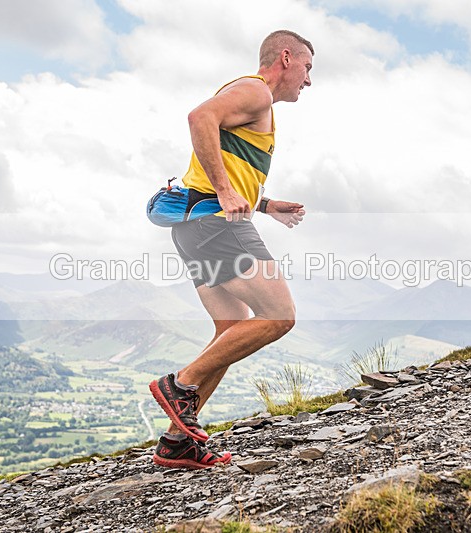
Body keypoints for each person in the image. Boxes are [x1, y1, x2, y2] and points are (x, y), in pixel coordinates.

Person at [150, 30, 314, 469]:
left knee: (231, 328)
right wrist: (226, 193)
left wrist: (264, 203)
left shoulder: (255, 103)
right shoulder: (255, 91)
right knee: (279, 316)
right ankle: (179, 386)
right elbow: (199, 117)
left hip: (193, 227)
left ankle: (176, 444)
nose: (309, 81)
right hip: (217, 225)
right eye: (307, 69)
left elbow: (222, 160)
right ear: (285, 58)